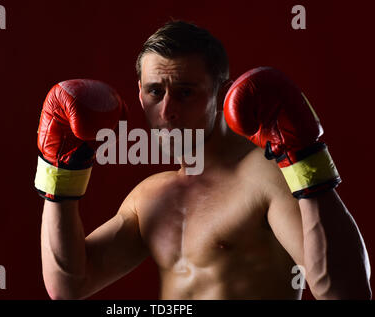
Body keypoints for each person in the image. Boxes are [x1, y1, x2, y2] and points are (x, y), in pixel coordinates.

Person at [34, 21, 372, 299]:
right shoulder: (150, 196)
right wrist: (61, 170)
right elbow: (68, 286)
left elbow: (345, 293)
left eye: (185, 92)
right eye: (155, 92)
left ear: (222, 93)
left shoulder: (264, 179)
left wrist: (304, 160)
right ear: (139, 93)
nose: (167, 112)